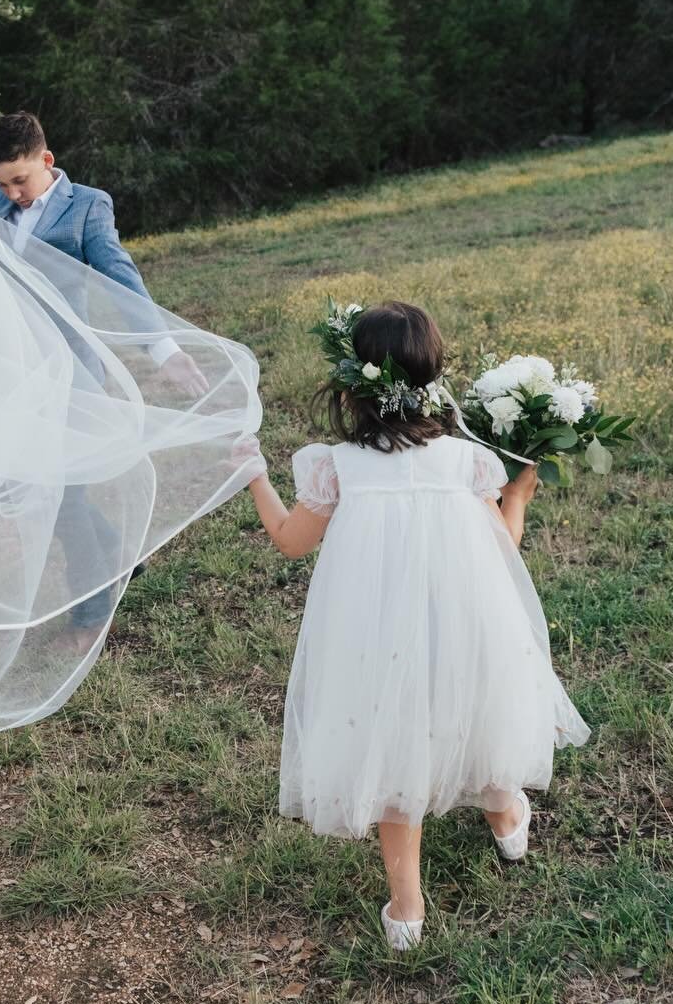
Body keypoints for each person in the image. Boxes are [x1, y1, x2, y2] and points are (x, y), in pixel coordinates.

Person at [234, 301, 589, 952]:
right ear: (432, 373)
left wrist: (253, 473)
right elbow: (503, 547)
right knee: (477, 715)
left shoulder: (339, 465)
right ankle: (507, 823)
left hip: (376, 634)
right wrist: (517, 496)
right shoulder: (465, 460)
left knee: (393, 747)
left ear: (353, 382)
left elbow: (290, 540)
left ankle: (407, 908)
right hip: (464, 623)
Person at [0, 110, 210, 653]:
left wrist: (162, 348)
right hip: (19, 378)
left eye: (19, 181)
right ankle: (121, 552)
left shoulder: (87, 208)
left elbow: (121, 277)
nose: (12, 194)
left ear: (46, 161)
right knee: (25, 487)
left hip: (72, 378)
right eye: (1, 184)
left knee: (63, 499)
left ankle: (93, 616)